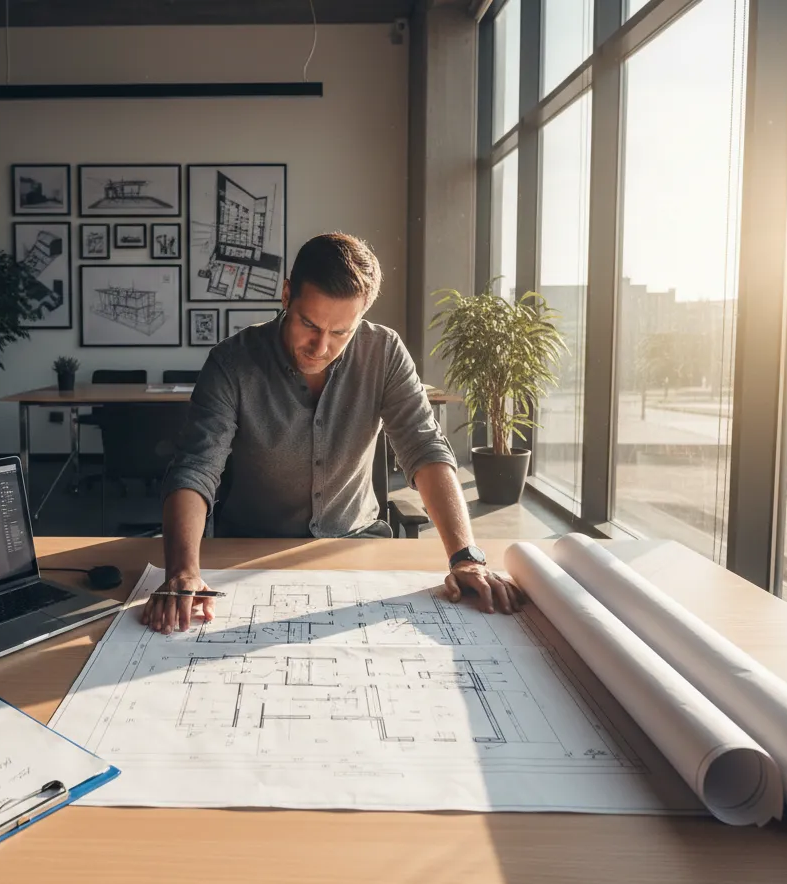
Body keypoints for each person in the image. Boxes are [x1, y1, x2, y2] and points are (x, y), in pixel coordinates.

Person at [142, 232, 524, 634]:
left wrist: (465, 556)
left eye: (340, 332)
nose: (320, 346)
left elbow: (425, 447)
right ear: (287, 294)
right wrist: (183, 572)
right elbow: (196, 467)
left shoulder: (384, 352)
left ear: (361, 316)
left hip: (357, 545)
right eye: (309, 324)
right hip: (252, 550)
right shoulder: (231, 363)